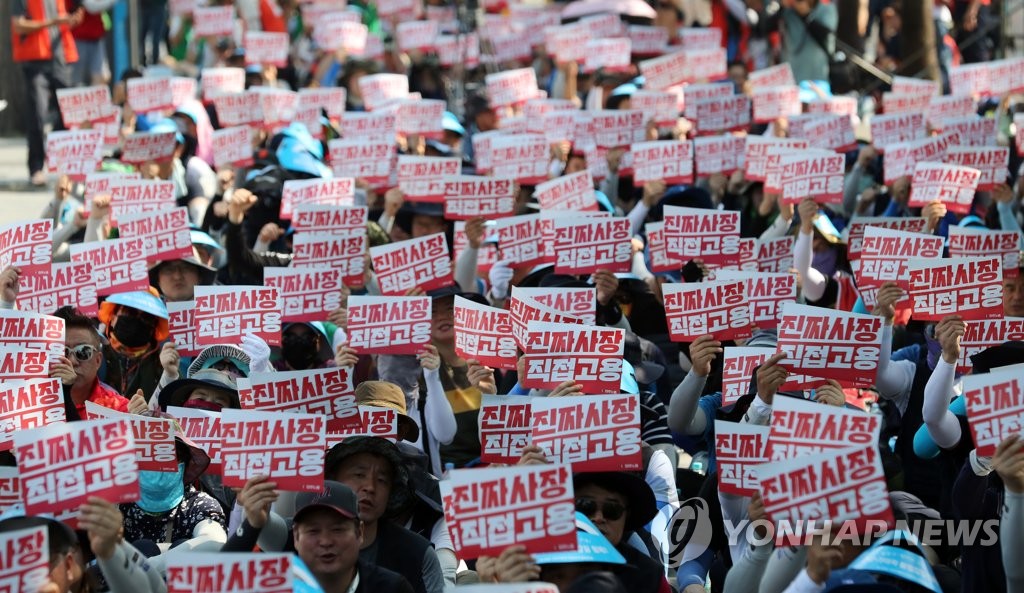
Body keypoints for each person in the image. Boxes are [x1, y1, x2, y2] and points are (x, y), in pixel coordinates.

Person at [325, 437, 445, 593]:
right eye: (359, 475)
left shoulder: (417, 553)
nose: (370, 487)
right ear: (333, 479)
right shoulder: (298, 544)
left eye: (382, 480)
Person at [11, 0, 82, 186]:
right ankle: (36, 167)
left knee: (69, 115)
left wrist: (73, 19)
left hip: (60, 58)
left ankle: (64, 163)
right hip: (35, 61)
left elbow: (69, 16)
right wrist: (52, 22)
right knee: (37, 114)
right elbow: (18, 26)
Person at [55, 306, 129, 419]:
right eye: (63, 351)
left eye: (83, 351)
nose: (72, 361)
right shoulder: (32, 406)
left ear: (98, 361)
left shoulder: (120, 410)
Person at [97, 289, 170, 400]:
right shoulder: (91, 353)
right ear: (113, 316)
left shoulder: (163, 365)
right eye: (130, 311)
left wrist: (170, 374)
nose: (137, 320)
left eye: (147, 317)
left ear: (154, 328)